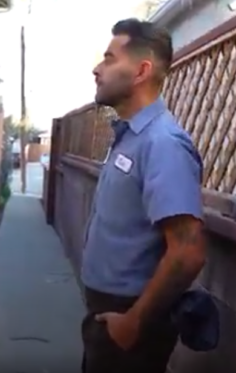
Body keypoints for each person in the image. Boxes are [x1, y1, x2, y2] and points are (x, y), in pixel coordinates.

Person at [80, 18, 206, 373]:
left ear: (141, 71)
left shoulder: (162, 144)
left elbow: (188, 251)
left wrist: (134, 321)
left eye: (109, 58)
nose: (97, 68)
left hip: (131, 323)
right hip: (107, 315)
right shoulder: (131, 136)